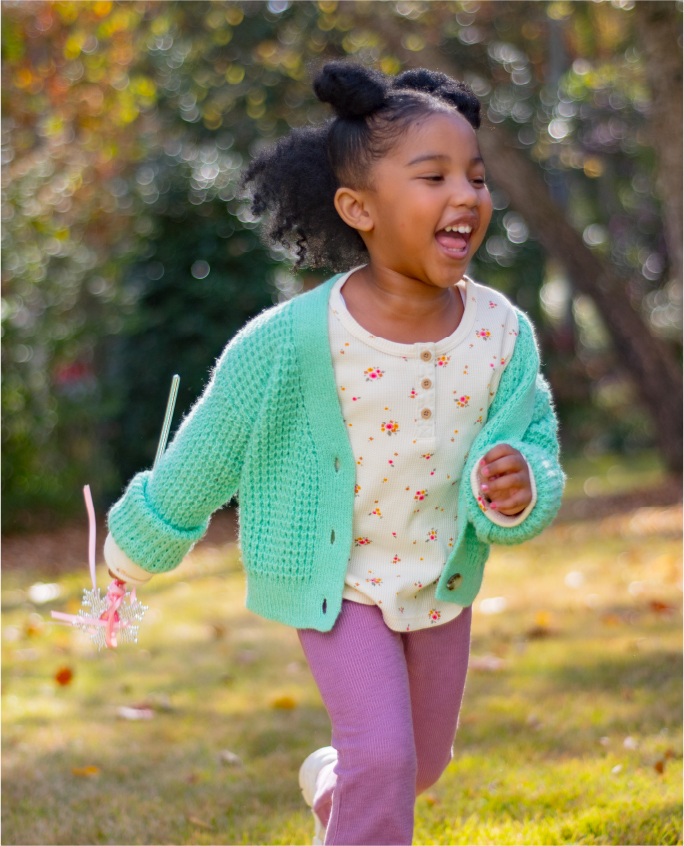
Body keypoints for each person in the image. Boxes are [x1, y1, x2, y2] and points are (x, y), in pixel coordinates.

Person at [104, 61, 565, 846]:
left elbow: (534, 448)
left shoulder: (501, 334)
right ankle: (358, 789)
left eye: (476, 177)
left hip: (437, 579)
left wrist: (521, 486)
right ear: (360, 208)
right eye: (434, 176)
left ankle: (336, 787)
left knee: (417, 765)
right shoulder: (291, 341)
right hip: (337, 584)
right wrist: (133, 551)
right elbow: (209, 449)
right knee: (384, 759)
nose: (466, 195)